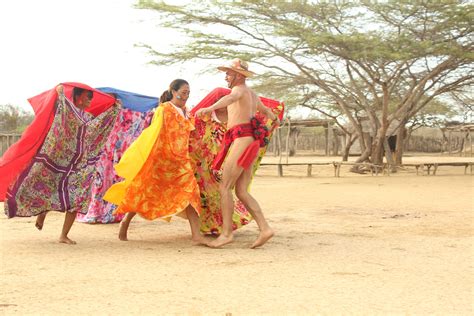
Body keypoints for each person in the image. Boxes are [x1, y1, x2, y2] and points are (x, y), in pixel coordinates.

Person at [5, 83, 119, 244]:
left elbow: (100, 126)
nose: (90, 100)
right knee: (47, 188)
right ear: (79, 96)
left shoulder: (87, 117)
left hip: (78, 166)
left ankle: (63, 235)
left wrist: (114, 110)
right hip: (58, 160)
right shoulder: (68, 111)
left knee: (77, 197)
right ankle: (42, 213)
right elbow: (59, 114)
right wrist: (61, 96)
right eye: (88, 97)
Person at [103, 79, 207, 245]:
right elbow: (153, 133)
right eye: (184, 92)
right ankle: (125, 222)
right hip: (163, 159)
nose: (186, 96)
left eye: (188, 92)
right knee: (144, 192)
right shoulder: (164, 109)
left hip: (182, 162)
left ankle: (196, 235)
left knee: (190, 192)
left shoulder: (187, 112)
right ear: (173, 91)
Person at [195, 58, 280, 248]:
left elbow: (230, 99)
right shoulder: (252, 94)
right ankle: (265, 228)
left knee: (225, 187)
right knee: (240, 190)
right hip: (249, 141)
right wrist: (275, 119)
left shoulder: (238, 90)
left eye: (228, 73)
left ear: (238, 76)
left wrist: (209, 108)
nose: (226, 77)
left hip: (242, 140)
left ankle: (226, 234)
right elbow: (266, 111)